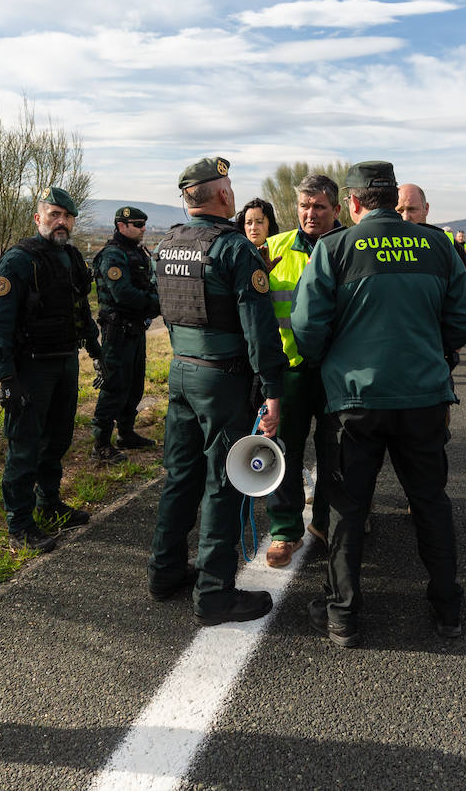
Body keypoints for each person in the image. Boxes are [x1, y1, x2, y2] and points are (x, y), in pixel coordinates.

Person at [290, 161, 466, 646]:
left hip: (355, 401)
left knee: (347, 508)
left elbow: (308, 326)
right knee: (430, 502)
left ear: (351, 203)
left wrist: (331, 359)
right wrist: (434, 349)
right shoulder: (437, 245)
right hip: (423, 396)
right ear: (394, 198)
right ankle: (447, 609)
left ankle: (343, 615)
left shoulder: (335, 248)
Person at [148, 156, 287, 624]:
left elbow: (166, 310)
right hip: (222, 378)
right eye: (229, 186)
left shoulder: (167, 243)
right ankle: (214, 594)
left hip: (182, 371)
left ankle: (165, 572)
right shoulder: (234, 249)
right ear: (223, 194)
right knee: (223, 483)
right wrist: (272, 389)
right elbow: (258, 329)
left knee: (180, 475)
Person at [0, 187, 101, 552]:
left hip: (64, 361)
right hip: (30, 368)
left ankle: (48, 503)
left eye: (67, 216)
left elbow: (79, 309)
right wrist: (7, 378)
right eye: (53, 215)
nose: (61, 222)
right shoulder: (19, 260)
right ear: (38, 218)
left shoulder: (71, 257)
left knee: (59, 438)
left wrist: (97, 349)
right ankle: (19, 523)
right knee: (25, 446)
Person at [262, 174, 343, 568]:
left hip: (335, 370)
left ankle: (328, 523)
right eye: (304, 206)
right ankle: (284, 530)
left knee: (336, 452)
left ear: (337, 210)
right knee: (284, 452)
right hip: (288, 371)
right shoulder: (272, 248)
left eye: (320, 207)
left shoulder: (350, 249)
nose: (310, 214)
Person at [91, 205, 161, 460]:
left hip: (135, 331)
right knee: (114, 387)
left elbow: (149, 283)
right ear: (122, 226)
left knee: (134, 385)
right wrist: (156, 303)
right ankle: (100, 443)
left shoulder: (137, 252)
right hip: (117, 333)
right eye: (139, 225)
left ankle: (126, 433)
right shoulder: (112, 255)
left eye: (144, 225)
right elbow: (124, 295)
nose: (144, 229)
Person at [235, 197, 280, 263]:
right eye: (249, 223)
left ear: (270, 225)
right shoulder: (236, 257)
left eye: (259, 222)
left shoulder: (281, 252)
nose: (253, 228)